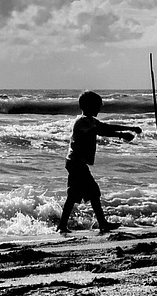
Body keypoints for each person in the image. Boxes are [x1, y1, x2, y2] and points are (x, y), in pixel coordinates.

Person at [57, 91, 142, 234]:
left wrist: (130, 128)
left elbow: (106, 126)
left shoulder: (90, 120)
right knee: (93, 192)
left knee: (74, 195)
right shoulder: (83, 121)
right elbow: (103, 131)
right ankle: (101, 224)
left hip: (75, 163)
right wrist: (122, 134)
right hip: (76, 163)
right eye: (97, 106)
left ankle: (63, 225)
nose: (99, 109)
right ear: (88, 106)